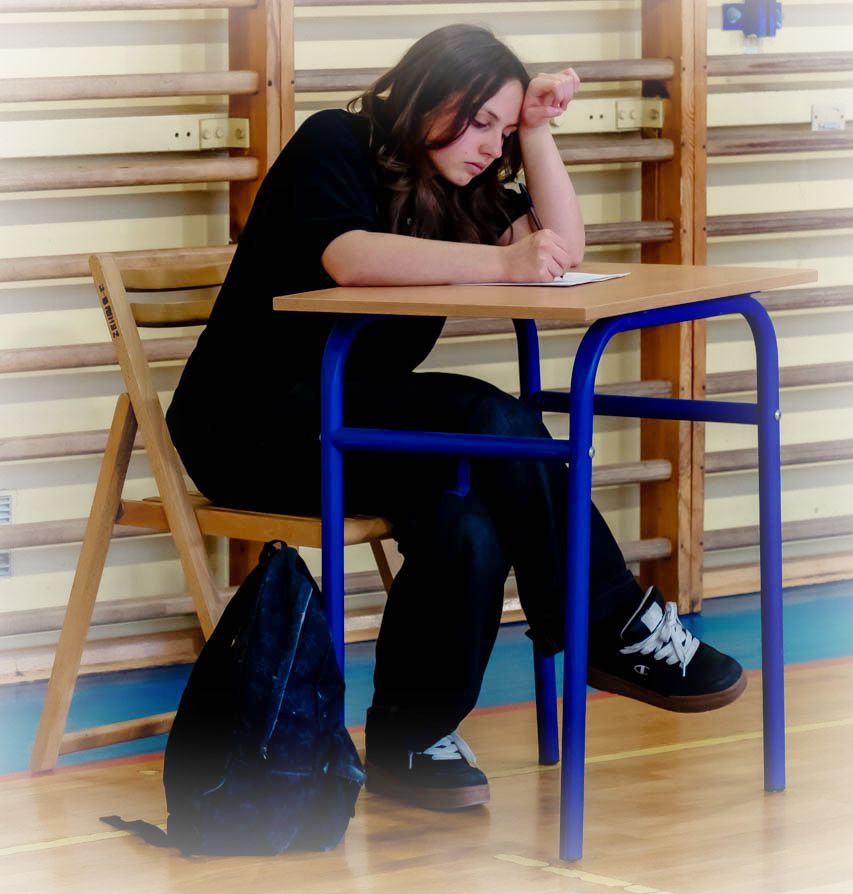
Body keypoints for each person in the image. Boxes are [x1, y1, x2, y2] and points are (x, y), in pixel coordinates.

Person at [166, 24, 745, 812]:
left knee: (465, 513)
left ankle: (411, 737)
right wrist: (502, 263)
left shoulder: (458, 183)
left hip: (354, 422)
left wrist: (535, 133)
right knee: (484, 414)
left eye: (499, 131)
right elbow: (349, 256)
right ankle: (610, 620)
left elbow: (560, 252)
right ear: (426, 93)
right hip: (251, 427)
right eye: (478, 122)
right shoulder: (335, 141)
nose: (486, 146)